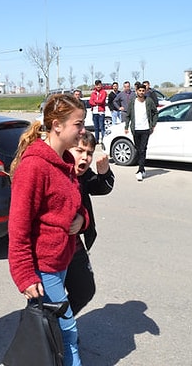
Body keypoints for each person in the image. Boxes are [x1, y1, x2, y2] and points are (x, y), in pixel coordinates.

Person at [8, 93, 89, 366]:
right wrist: (24, 274)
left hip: (61, 259)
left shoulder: (65, 161)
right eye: (78, 124)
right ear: (57, 125)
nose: (82, 130)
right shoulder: (34, 166)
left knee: (47, 332)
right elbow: (18, 226)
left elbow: (74, 206)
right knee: (67, 331)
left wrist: (83, 221)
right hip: (43, 266)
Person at [65, 131, 115, 315]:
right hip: (50, 249)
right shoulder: (52, 171)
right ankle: (47, 334)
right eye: (79, 150)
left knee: (84, 291)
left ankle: (60, 325)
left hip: (75, 246)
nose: (85, 157)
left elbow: (102, 187)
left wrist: (105, 173)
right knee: (44, 301)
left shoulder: (84, 175)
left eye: (89, 152)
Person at [125, 83, 158, 181]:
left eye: (143, 91)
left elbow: (155, 112)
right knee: (138, 150)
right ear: (136, 91)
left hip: (145, 129)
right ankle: (142, 168)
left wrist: (153, 125)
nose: (141, 92)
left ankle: (140, 170)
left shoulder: (149, 101)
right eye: (139, 90)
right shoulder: (132, 101)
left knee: (143, 149)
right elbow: (128, 115)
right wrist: (126, 126)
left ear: (145, 91)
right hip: (135, 129)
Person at [89, 79, 107, 146]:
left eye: (99, 85)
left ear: (101, 85)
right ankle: (96, 140)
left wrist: (95, 101)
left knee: (102, 127)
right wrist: (95, 102)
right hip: (94, 112)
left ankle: (103, 140)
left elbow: (102, 101)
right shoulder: (93, 93)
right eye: (96, 85)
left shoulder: (103, 92)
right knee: (96, 127)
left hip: (101, 112)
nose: (98, 86)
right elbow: (90, 102)